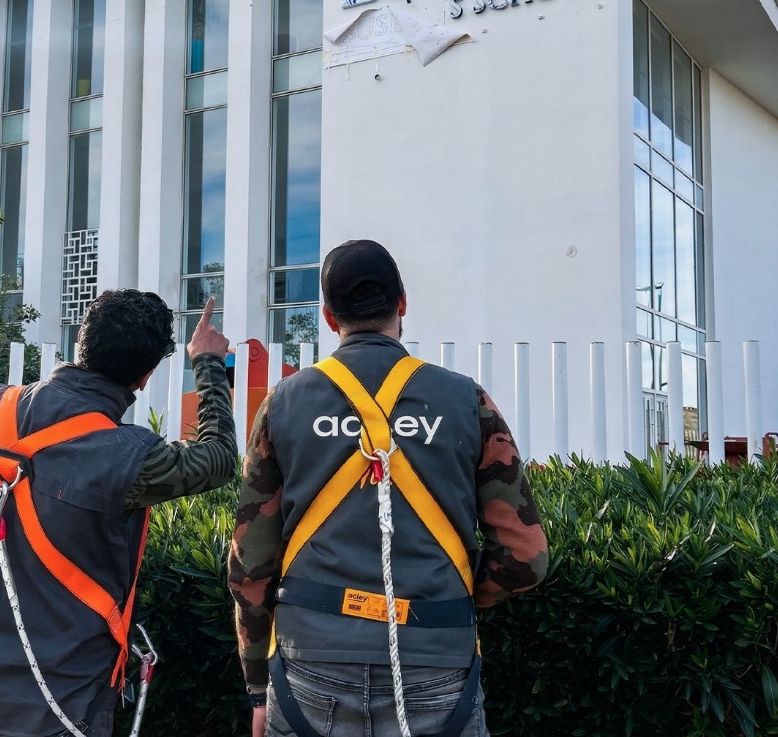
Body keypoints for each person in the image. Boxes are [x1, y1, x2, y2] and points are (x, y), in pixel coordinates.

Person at [228, 239, 548, 737]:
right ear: (402, 303)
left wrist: (255, 686)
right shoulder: (467, 400)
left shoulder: (282, 404)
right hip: (436, 661)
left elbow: (250, 565)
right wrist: (450, 599)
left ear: (330, 318)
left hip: (310, 660)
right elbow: (526, 556)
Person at [0, 290, 237, 737]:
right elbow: (218, 458)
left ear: (81, 341)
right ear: (145, 376)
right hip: (67, 703)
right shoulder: (133, 458)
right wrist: (208, 362)